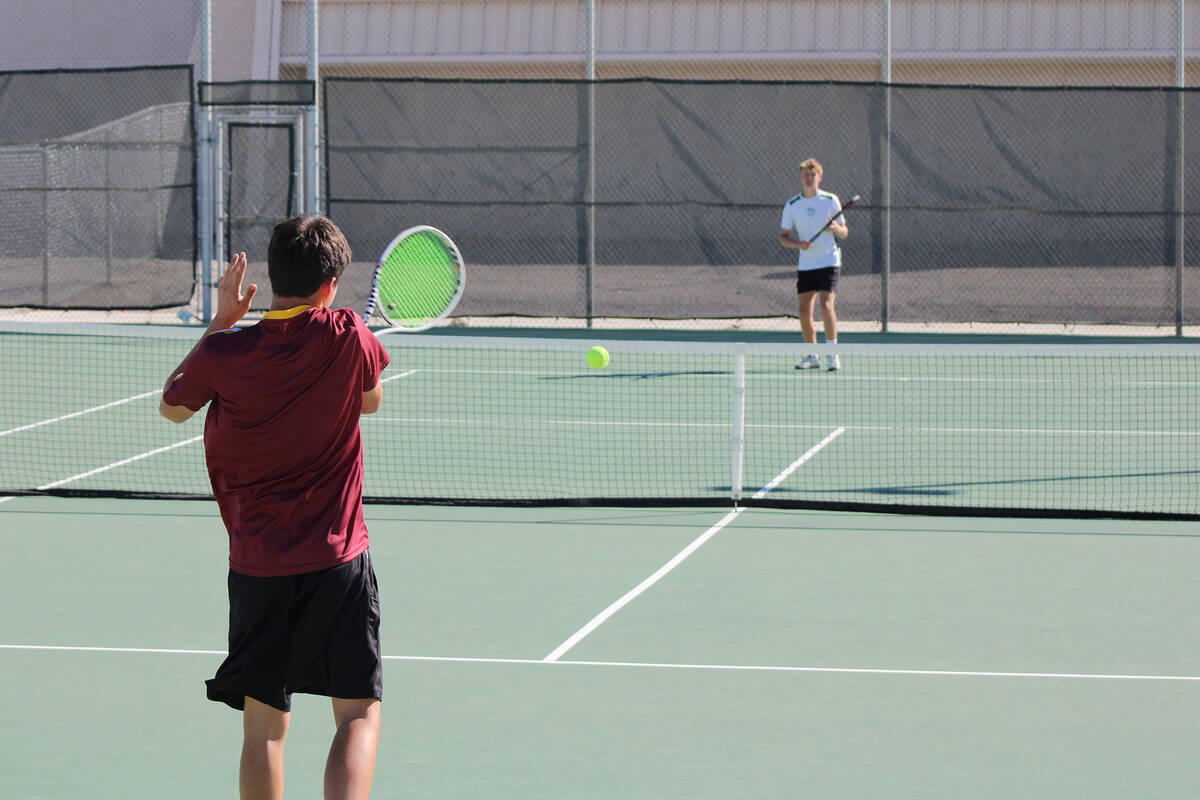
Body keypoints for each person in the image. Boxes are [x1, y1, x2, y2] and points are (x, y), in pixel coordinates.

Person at [159, 215, 390, 800]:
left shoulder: (225, 352)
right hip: (339, 561)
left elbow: (173, 406)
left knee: (264, 727)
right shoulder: (348, 334)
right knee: (358, 712)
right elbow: (372, 400)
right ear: (331, 284)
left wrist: (219, 323)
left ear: (271, 276)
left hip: (258, 565)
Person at [778, 158, 849, 371]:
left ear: (820, 177)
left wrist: (835, 228)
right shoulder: (792, 205)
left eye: (813, 174)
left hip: (829, 260)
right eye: (806, 174)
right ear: (800, 178)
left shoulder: (830, 200)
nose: (809, 178)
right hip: (807, 264)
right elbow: (783, 237)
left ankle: (832, 354)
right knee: (803, 311)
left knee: (826, 306)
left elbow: (844, 232)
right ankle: (812, 354)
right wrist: (798, 244)